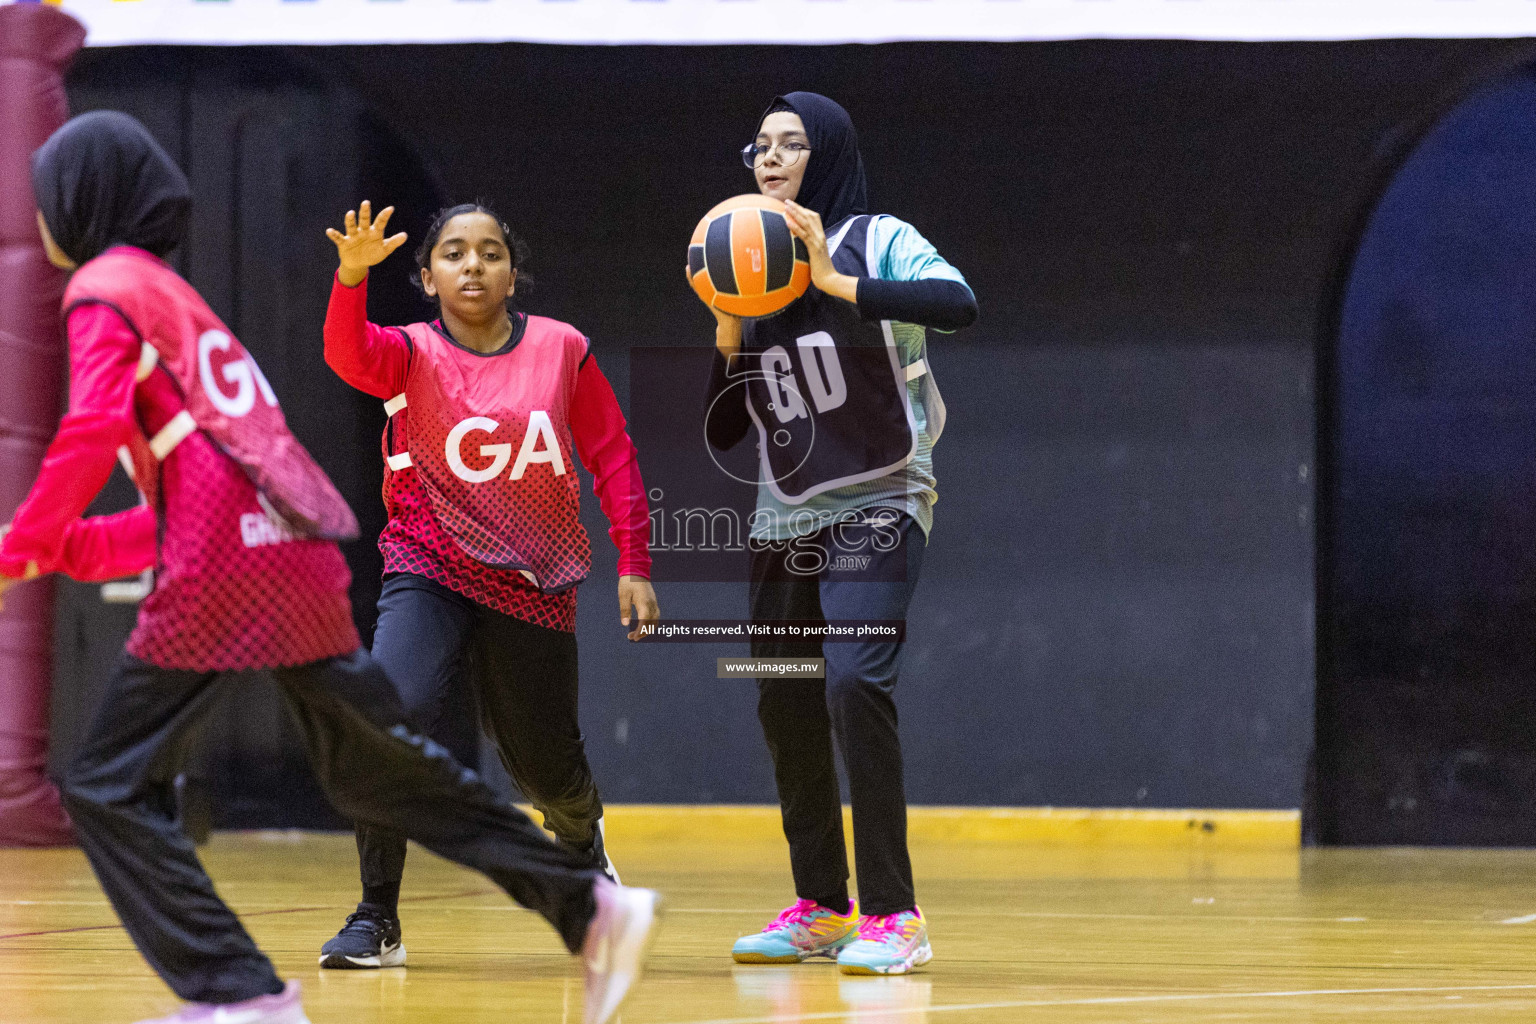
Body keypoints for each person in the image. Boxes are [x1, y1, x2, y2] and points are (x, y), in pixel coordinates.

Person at [1, 110, 657, 1024]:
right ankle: (588, 909)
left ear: (81, 199)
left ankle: (243, 997)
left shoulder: (104, 285)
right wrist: (61, 550)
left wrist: (23, 542)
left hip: (239, 562)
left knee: (107, 785)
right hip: (294, 551)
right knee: (373, 766)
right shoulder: (166, 290)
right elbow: (200, 485)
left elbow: (87, 434)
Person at [316, 199, 658, 969]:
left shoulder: (562, 349)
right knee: (384, 722)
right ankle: (377, 916)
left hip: (533, 581)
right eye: (454, 253)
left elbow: (613, 454)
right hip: (428, 566)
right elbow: (346, 354)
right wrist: (350, 277)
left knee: (546, 768)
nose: (473, 264)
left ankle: (581, 845)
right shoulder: (404, 353)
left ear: (513, 272)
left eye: (491, 251)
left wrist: (635, 561)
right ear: (429, 277)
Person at [698, 92, 977, 975]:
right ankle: (821, 905)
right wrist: (727, 330)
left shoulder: (873, 238)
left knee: (854, 681)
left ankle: (896, 917)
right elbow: (727, 433)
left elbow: (959, 301)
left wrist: (837, 285)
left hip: (883, 494)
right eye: (761, 146)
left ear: (827, 155)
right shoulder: (745, 268)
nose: (772, 158)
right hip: (786, 510)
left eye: (793, 144)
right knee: (786, 700)